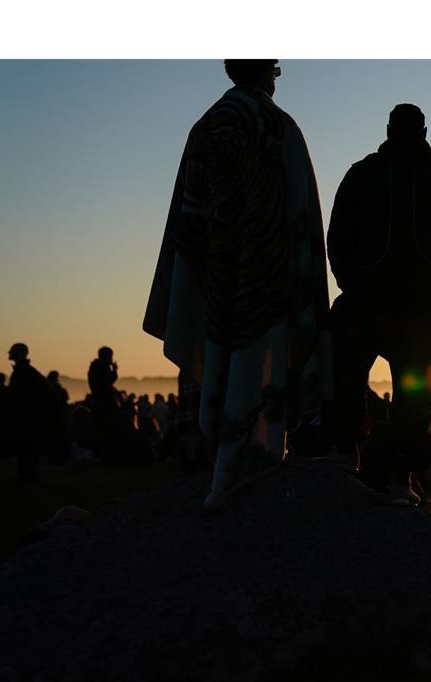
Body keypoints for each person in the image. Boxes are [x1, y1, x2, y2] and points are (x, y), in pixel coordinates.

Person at [144, 60, 331, 508]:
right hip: (264, 269)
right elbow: (300, 216)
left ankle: (222, 460)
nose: (276, 79)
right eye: (275, 71)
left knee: (218, 355)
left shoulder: (203, 128)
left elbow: (187, 212)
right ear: (264, 73)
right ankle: (249, 460)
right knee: (257, 353)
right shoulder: (277, 125)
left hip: (211, 270)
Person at [325, 103, 431, 505]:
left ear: (388, 129)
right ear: (425, 131)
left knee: (355, 382)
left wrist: (350, 281)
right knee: (406, 396)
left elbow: (336, 237)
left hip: (381, 304)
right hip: (407, 309)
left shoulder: (363, 176)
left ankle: (356, 460)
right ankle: (392, 473)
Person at [6, 343, 57, 482]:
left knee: (26, 447)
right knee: (27, 447)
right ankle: (28, 475)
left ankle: (27, 476)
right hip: (30, 416)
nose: (8, 353)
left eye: (12, 351)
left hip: (27, 417)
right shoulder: (28, 371)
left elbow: (17, 395)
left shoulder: (22, 372)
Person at [87, 346, 120, 461]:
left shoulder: (96, 367)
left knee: (103, 430)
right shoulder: (100, 368)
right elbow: (107, 384)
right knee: (107, 430)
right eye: (110, 356)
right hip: (104, 404)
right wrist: (114, 371)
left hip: (100, 402)